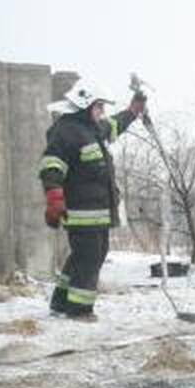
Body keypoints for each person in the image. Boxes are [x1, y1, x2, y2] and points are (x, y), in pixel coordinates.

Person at [38, 79, 146, 320]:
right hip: (81, 212)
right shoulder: (66, 131)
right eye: (99, 107)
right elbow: (51, 164)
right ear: (85, 106)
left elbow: (114, 125)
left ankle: (61, 301)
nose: (102, 112)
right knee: (89, 258)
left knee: (84, 256)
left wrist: (132, 111)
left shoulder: (93, 129)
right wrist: (54, 196)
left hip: (98, 212)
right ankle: (79, 310)